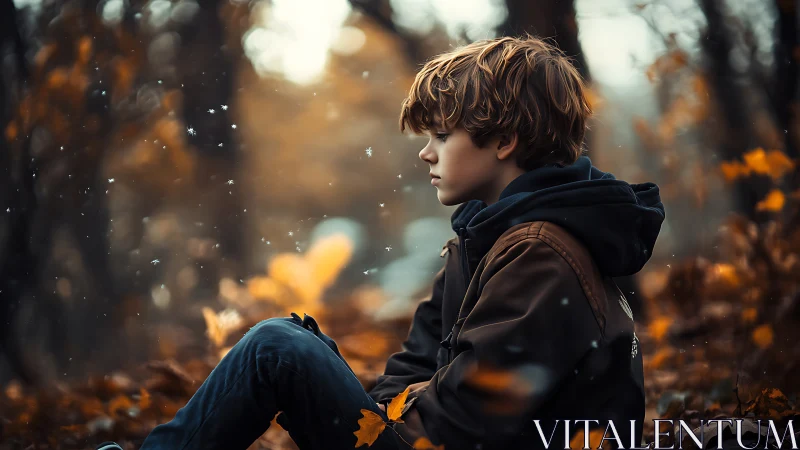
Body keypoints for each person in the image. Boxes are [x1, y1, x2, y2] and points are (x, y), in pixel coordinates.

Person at [98, 34, 664, 450]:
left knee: (278, 348)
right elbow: (413, 364)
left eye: (442, 136)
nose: (426, 153)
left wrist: (381, 409)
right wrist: (380, 402)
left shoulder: (539, 252)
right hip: (423, 437)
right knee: (296, 340)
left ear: (505, 141)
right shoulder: (486, 236)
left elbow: (465, 426)